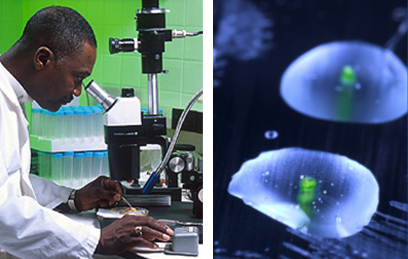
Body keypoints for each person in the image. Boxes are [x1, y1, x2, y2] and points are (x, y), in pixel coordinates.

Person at [0, 6, 173, 258]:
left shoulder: (12, 97)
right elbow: (3, 211)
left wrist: (74, 198)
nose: (78, 91)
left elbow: (12, 183)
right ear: (43, 59)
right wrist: (97, 239)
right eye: (77, 78)